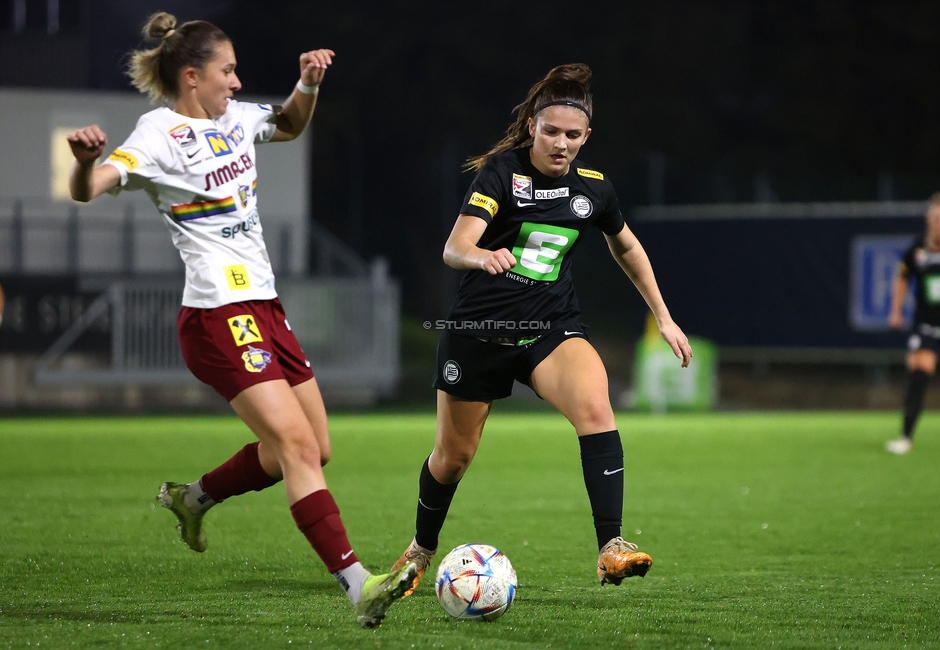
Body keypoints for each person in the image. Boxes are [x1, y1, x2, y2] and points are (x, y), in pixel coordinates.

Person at [66, 12, 415, 628]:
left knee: (314, 449)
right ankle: (360, 586)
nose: (236, 81)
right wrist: (82, 160)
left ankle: (191, 498)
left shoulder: (234, 117)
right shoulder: (157, 133)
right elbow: (90, 187)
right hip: (217, 314)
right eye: (226, 71)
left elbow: (287, 124)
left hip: (264, 308)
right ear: (192, 76)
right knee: (297, 445)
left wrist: (308, 83)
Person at [389, 63, 693, 595]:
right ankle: (421, 548)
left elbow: (626, 246)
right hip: (480, 331)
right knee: (453, 457)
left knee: (596, 407)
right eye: (551, 131)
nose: (561, 143)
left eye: (573, 135)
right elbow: (454, 248)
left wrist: (663, 317)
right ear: (532, 125)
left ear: (586, 138)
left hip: (550, 329)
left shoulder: (594, 189)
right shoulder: (500, 175)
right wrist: (482, 257)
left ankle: (611, 546)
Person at [886, 193, 940, 455]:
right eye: (938, 218)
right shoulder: (917, 248)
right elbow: (902, 279)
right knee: (919, 375)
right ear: (929, 221)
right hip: (926, 325)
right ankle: (905, 438)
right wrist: (895, 311)